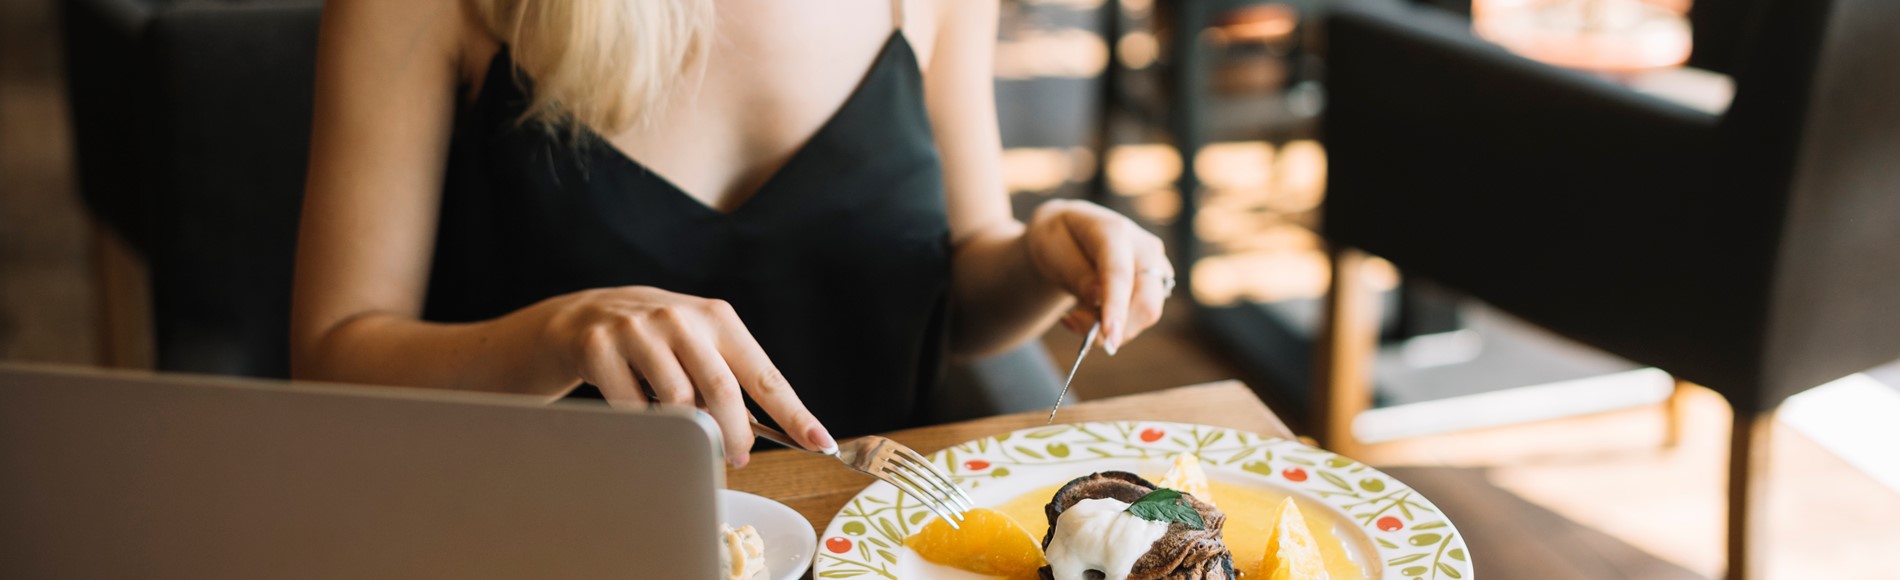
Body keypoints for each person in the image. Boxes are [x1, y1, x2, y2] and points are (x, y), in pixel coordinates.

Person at [290, 0, 1175, 469]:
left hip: (864, 537)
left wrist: (1039, 254)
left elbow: (954, 304)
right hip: (541, 530)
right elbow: (333, 358)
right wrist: (555, 336)